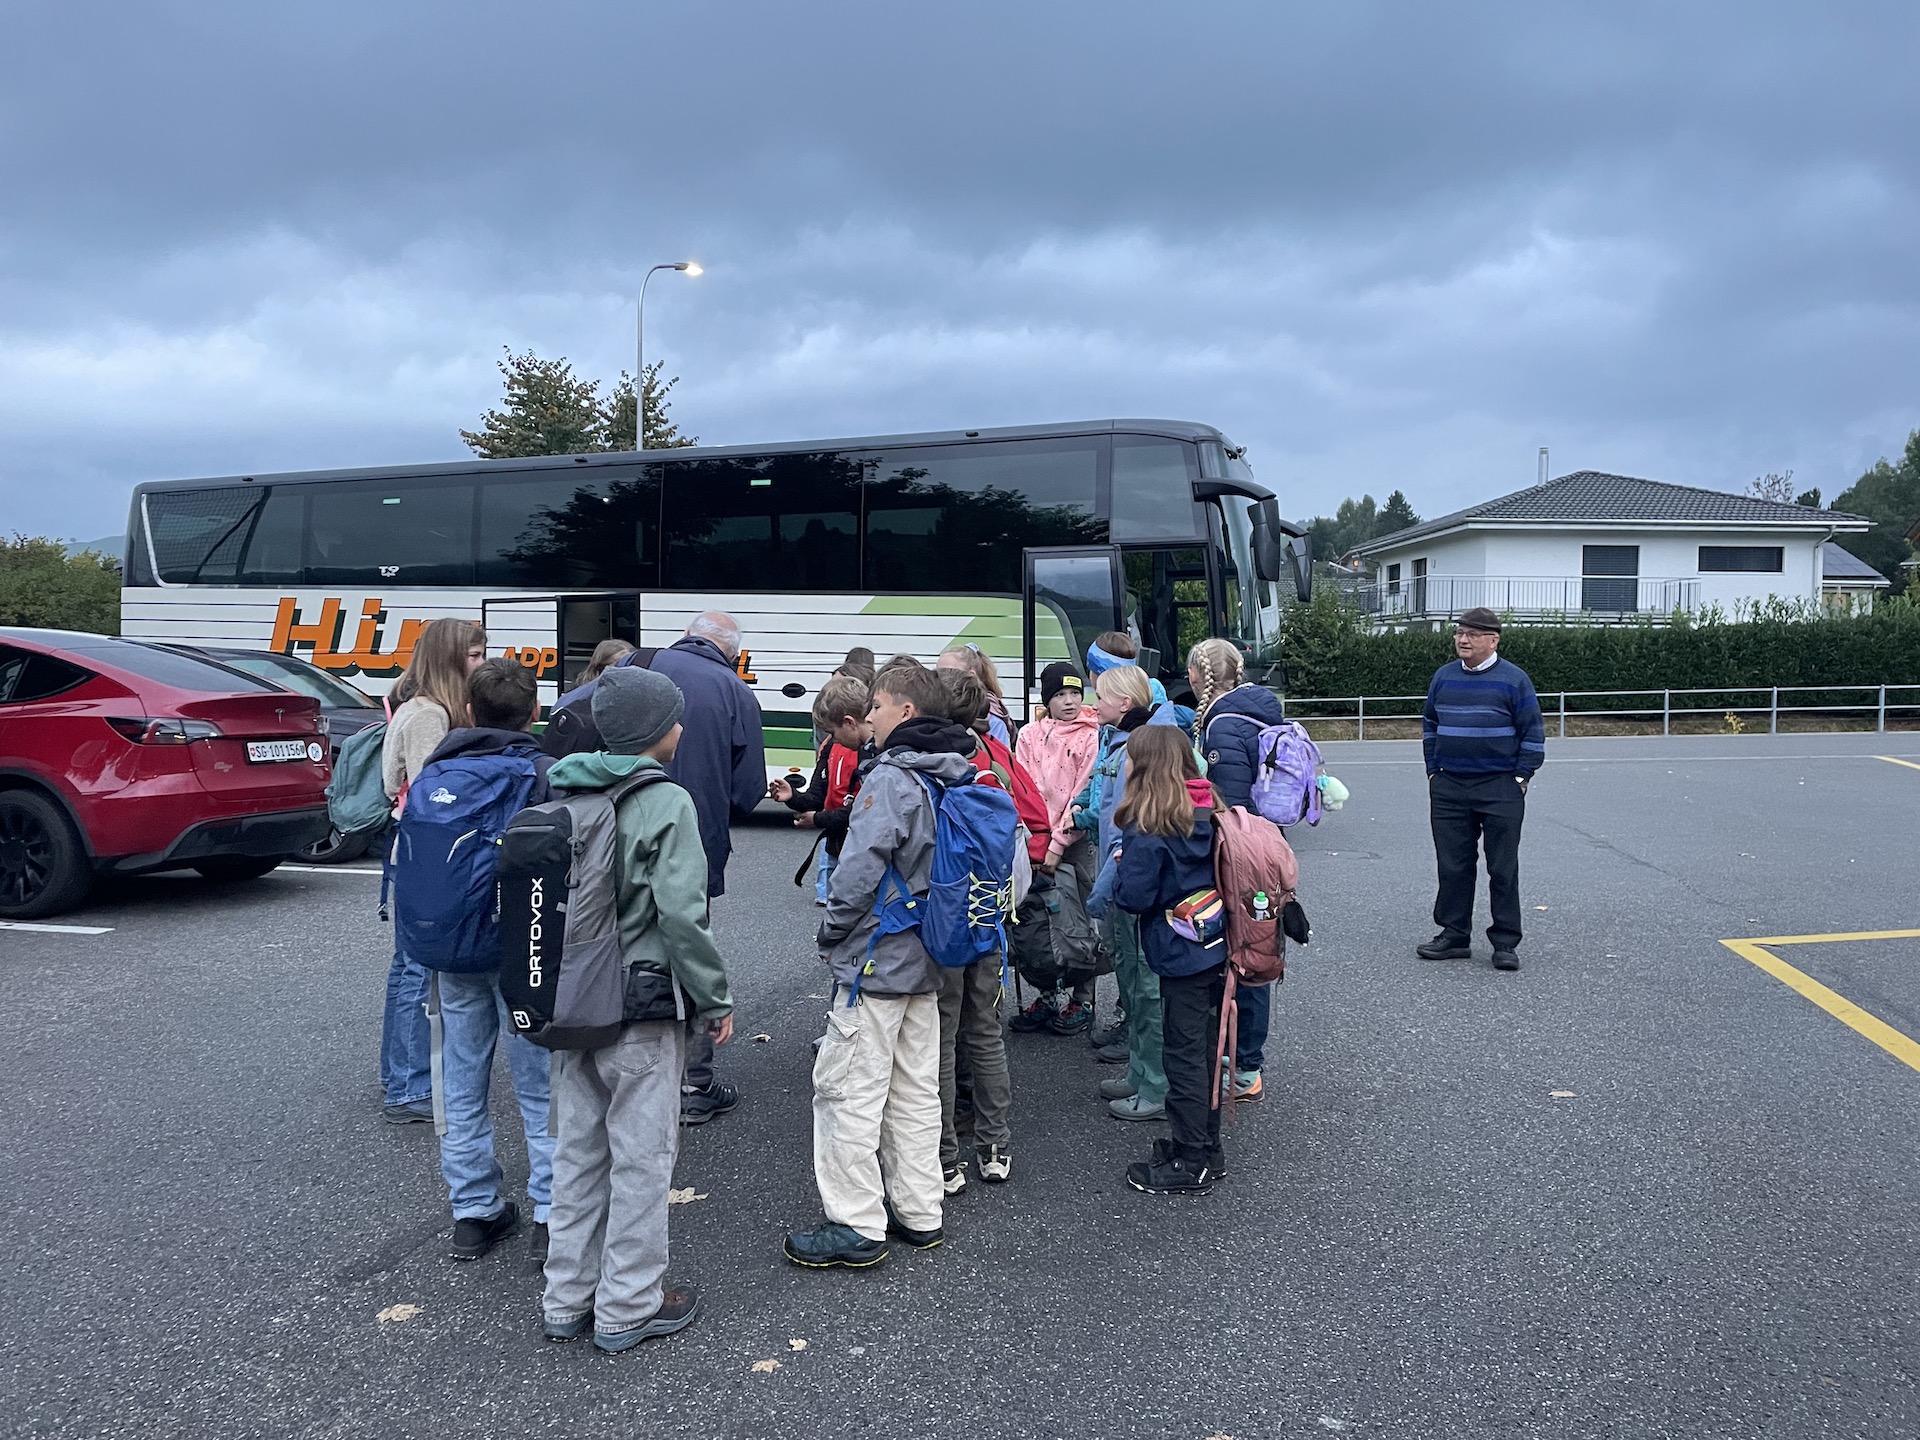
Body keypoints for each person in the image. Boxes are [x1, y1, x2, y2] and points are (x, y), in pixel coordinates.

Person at [541, 667, 735, 1352]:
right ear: (657, 732)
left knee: (577, 1153)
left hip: (570, 999)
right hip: (640, 1002)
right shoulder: (665, 801)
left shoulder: (568, 788)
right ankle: (627, 1305)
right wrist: (713, 997)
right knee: (642, 1159)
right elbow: (682, 914)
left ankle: (566, 1297)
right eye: (674, 718)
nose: (681, 727)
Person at [784, 660, 970, 1269]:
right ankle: (920, 1209)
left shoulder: (892, 778)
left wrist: (833, 931)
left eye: (878, 706)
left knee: (848, 1090)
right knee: (916, 1089)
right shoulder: (959, 769)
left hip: (878, 958)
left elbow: (859, 869)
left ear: (905, 711)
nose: (869, 718)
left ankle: (856, 1222)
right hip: (933, 954)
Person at [419, 658, 557, 1260]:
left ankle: (473, 1210)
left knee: (460, 1077)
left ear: (469, 711)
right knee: (540, 1084)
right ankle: (551, 1211)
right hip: (525, 947)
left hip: (451, 945)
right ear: (534, 711)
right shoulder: (542, 773)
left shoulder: (437, 770)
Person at [645, 613, 767, 1123]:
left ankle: (633, 1075)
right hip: (696, 839)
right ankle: (693, 1084)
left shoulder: (638, 665)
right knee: (687, 948)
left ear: (686, 635)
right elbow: (748, 791)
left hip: (617, 834)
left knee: (623, 947)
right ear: (731, 652)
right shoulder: (736, 692)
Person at [930, 667, 1044, 1191]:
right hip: (988, 911)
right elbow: (1031, 818)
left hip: (942, 917)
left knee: (940, 1033)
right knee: (986, 1031)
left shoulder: (928, 763)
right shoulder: (994, 756)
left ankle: (945, 1155)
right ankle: (994, 1145)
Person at [378, 617, 487, 1124]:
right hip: (428, 858)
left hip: (418, 856)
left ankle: (403, 1078)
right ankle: (408, 1086)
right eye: (474, 655)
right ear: (449, 659)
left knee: (411, 966)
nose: (482, 664)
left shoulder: (421, 707)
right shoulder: (429, 716)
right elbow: (435, 797)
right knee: (419, 970)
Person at [1112, 725, 1227, 1195]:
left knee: (1182, 1056)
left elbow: (1134, 897)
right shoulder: (1212, 809)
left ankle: (1191, 1160)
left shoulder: (1149, 824)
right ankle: (1207, 1147)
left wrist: (1123, 868)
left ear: (1144, 766)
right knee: (1206, 1052)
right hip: (1221, 944)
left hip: (1180, 953)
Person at [1419, 608, 1545, 972]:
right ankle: (1454, 935)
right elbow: (1430, 724)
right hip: (1450, 785)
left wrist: (1521, 777)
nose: (1463, 639)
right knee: (1453, 865)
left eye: (1472, 634)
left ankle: (1505, 942)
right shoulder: (1444, 677)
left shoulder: (1514, 680)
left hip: (1499, 786)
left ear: (1493, 640)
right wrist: (1433, 771)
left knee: (1502, 868)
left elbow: (1533, 731)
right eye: (1460, 633)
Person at [1188, 637, 1283, 1103]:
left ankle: (1245, 1066)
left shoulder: (1223, 724)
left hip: (1240, 853)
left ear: (1196, 676)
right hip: (1266, 847)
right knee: (1257, 947)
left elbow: (1227, 802)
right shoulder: (1262, 711)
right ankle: (1243, 1060)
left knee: (1244, 953)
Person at [1077, 667, 1169, 1121]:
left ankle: (1157, 1086)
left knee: (1147, 989)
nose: (1094, 705)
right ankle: (1140, 1071)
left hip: (1133, 879)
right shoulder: (1120, 741)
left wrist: (1107, 887)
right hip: (1122, 876)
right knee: (1132, 984)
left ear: (1125, 703)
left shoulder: (1145, 745)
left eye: (1101, 697)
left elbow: (1132, 827)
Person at [1012, 662, 1106, 1037]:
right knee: (1038, 918)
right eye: (1060, 694)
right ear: (1047, 699)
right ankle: (1048, 993)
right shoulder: (1028, 735)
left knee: (1078, 919)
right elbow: (1023, 788)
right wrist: (1037, 841)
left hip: (1074, 841)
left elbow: (1082, 793)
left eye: (1075, 693)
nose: (1069, 701)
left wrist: (1058, 842)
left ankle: (1083, 999)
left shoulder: (1091, 735)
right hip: (1035, 839)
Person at [772, 675, 874, 905]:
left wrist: (818, 819)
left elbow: (863, 810)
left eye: (833, 731)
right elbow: (817, 796)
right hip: (836, 839)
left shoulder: (875, 754)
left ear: (849, 723)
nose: (831, 738)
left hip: (863, 848)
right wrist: (792, 796)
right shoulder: (831, 746)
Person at [936, 644, 1014, 747]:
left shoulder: (993, 720)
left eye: (950, 672)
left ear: (971, 676)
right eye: (937, 673)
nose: (940, 678)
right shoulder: (934, 709)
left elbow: (1000, 754)